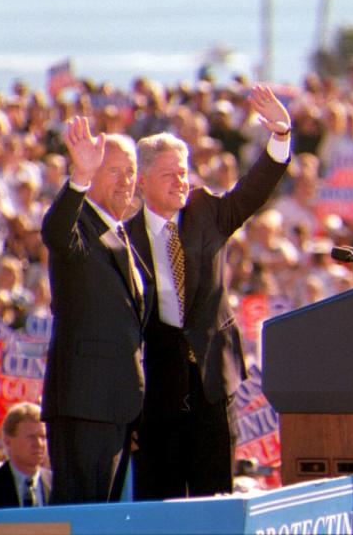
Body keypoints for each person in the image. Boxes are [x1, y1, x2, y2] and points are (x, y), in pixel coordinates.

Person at [127, 83, 291, 499]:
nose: (180, 182)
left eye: (184, 172)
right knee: (161, 505)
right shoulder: (123, 240)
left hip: (213, 385)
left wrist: (280, 137)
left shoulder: (206, 212)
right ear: (143, 181)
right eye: (169, 175)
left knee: (214, 497)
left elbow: (252, 192)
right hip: (158, 396)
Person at [40, 118, 148, 504]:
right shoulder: (80, 224)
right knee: (82, 515)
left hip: (116, 405)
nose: (125, 181)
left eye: (131, 171)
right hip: (84, 404)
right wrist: (80, 177)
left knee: (105, 520)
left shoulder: (120, 233)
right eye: (114, 171)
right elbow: (55, 231)